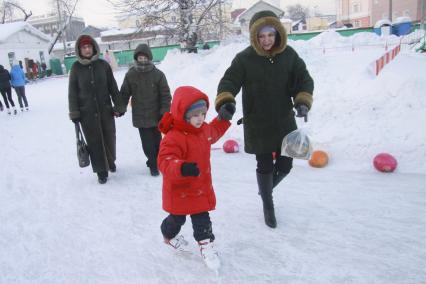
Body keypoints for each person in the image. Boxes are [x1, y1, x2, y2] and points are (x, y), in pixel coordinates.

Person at [215, 10, 314, 228]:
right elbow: (228, 82)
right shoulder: (244, 59)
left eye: (270, 34)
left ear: (278, 33)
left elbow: (304, 80)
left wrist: (303, 102)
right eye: (261, 36)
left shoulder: (289, 56)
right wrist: (226, 102)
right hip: (257, 121)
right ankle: (268, 206)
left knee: (286, 164)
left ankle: (265, 189)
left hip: (283, 120)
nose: (266, 40)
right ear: (254, 37)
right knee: (265, 165)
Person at [158, 86, 232, 271]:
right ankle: (168, 235)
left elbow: (214, 131)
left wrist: (223, 118)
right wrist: (181, 167)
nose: (201, 119)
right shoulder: (174, 137)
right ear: (183, 114)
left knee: (202, 219)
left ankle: (206, 245)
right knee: (177, 219)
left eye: (203, 114)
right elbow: (165, 161)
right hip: (180, 189)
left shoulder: (203, 130)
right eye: (196, 115)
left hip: (199, 188)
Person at [68, 35, 125, 184]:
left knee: (109, 139)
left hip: (106, 111)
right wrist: (74, 112)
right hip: (87, 114)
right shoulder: (76, 68)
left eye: (89, 47)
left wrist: (119, 106)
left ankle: (111, 161)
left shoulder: (103, 65)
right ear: (79, 50)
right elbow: (72, 92)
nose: (87, 50)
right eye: (84, 47)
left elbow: (113, 87)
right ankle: (101, 171)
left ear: (94, 47)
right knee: (94, 143)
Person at [120, 44, 171, 176]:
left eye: (144, 58)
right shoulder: (131, 74)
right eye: (140, 58)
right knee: (147, 143)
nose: (142, 60)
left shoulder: (158, 75)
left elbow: (165, 95)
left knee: (157, 141)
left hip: (156, 115)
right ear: (136, 59)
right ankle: (152, 163)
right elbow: (124, 93)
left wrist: (164, 111)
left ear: (149, 58)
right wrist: (120, 108)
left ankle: (158, 160)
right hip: (141, 116)